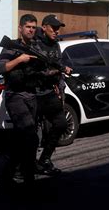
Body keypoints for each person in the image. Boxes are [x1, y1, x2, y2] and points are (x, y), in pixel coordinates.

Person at [0, 14, 41, 188]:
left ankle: (11, 172)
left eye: (33, 27)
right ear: (20, 28)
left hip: (31, 95)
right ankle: (28, 177)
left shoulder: (36, 47)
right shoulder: (11, 47)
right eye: (28, 27)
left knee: (25, 139)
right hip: (15, 96)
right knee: (30, 136)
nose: (31, 30)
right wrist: (19, 59)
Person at [34, 14, 72, 176]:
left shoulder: (56, 45)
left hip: (51, 92)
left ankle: (45, 159)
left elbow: (59, 64)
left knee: (61, 125)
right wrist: (59, 70)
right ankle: (29, 164)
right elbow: (38, 72)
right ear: (44, 27)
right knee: (33, 133)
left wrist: (61, 76)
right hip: (35, 94)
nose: (56, 31)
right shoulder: (34, 45)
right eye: (53, 28)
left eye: (58, 28)